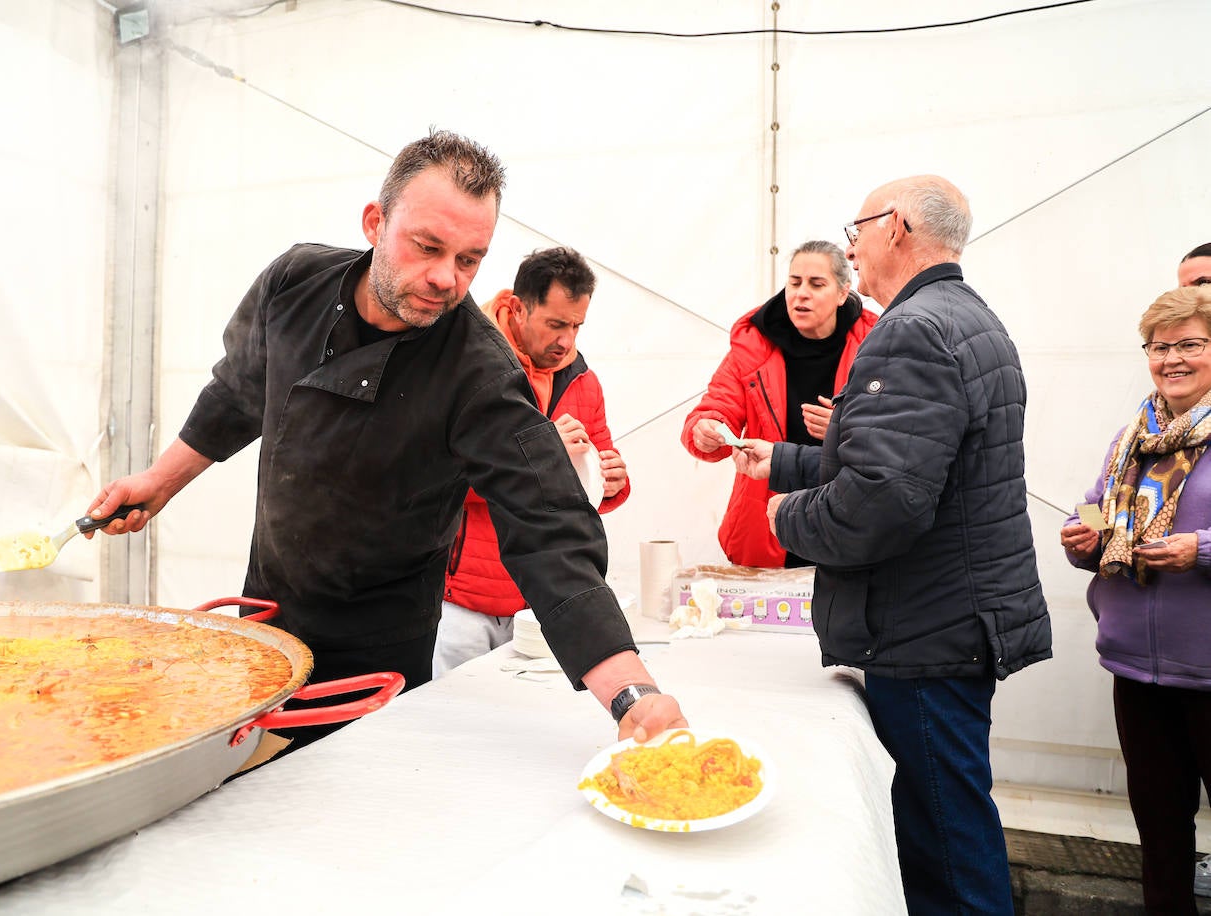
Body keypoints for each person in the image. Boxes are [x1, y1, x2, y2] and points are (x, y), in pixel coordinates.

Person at [86, 130, 686, 759]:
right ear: (375, 222)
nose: (445, 279)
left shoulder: (478, 370)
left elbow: (548, 523)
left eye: (469, 259)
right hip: (265, 613)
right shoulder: (295, 282)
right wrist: (158, 482)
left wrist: (631, 694)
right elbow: (237, 392)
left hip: (379, 652)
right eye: (427, 247)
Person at [735, 176, 1052, 915]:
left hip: (923, 634)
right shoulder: (966, 318)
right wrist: (782, 460)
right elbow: (911, 463)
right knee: (952, 823)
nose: (851, 245)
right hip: (950, 622)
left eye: (858, 227)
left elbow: (881, 502)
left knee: (944, 847)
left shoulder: (910, 330)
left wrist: (785, 516)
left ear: (898, 227)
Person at [1059, 285, 1211, 914]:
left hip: (1208, 672)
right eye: (1159, 346)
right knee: (1160, 834)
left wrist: (1199, 549)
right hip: (1135, 668)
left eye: (1191, 345)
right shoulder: (1132, 439)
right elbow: (1094, 508)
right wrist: (1083, 536)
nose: (1172, 358)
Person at [434, 247, 630, 676]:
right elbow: (435, 479)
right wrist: (540, 452)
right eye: (556, 324)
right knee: (452, 726)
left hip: (540, 602)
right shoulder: (469, 368)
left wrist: (612, 481)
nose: (567, 342)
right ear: (519, 309)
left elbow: (593, 477)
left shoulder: (582, 380)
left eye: (577, 326)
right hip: (461, 602)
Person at [680, 240, 877, 568]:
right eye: (794, 282)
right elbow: (716, 406)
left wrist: (842, 427)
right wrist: (705, 429)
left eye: (816, 284)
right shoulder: (753, 345)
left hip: (846, 521)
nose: (801, 293)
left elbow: (893, 434)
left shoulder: (875, 341)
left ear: (843, 293)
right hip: (765, 524)